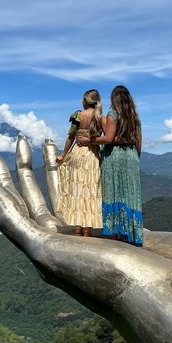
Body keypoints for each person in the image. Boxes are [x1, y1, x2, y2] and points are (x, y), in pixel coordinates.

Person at [77, 85, 143, 246]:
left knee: (113, 193)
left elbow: (108, 138)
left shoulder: (113, 114)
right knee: (130, 195)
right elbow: (139, 142)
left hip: (114, 157)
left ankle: (116, 233)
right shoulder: (135, 117)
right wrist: (135, 159)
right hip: (132, 156)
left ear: (115, 99)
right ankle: (131, 232)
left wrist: (89, 140)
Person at [55, 89, 103, 236]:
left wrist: (63, 154)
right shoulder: (101, 118)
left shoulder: (78, 116)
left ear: (84, 101)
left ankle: (78, 227)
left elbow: (70, 137)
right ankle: (88, 229)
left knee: (77, 188)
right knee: (90, 189)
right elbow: (107, 138)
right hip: (93, 154)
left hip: (77, 153)